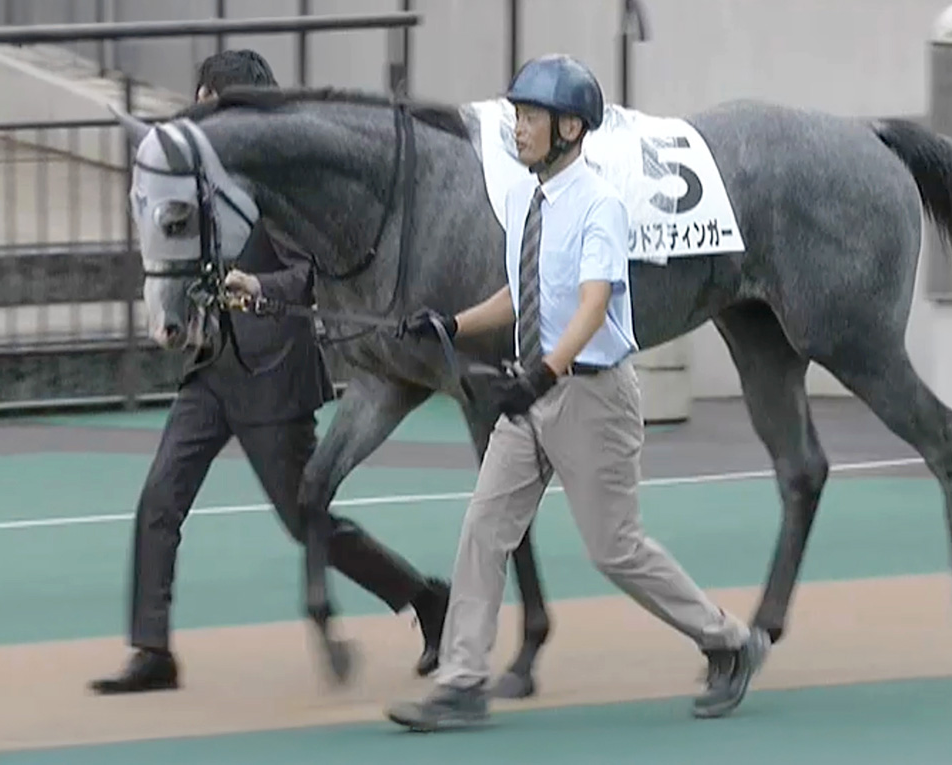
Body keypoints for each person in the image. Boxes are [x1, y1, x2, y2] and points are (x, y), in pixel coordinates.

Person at [383, 53, 769, 731]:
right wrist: (451, 323)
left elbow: (593, 304)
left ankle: (730, 641)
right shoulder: (524, 201)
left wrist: (545, 371)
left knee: (615, 547)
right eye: (516, 116)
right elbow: (520, 291)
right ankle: (463, 681)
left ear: (569, 128)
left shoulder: (599, 205)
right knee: (484, 529)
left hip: (591, 397)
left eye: (530, 117)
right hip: (532, 394)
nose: (518, 128)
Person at [90, 49, 449, 695]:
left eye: (207, 104)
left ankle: (425, 598)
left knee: (306, 522)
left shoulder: (287, 183)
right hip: (211, 368)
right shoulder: (202, 176)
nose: (198, 115)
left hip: (274, 378)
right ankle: (152, 650)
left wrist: (258, 288)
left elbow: (309, 275)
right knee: (160, 500)